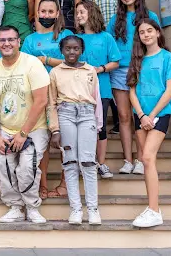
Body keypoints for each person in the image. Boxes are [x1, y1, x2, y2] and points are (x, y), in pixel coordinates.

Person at [0, 25, 52, 224]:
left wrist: (23, 134)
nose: (7, 43)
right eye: (2, 40)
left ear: (18, 42)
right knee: (0, 165)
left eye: (11, 39)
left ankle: (31, 206)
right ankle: (15, 207)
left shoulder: (32, 64)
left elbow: (41, 100)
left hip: (34, 128)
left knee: (26, 167)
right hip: (5, 127)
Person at [128, 19, 171, 227]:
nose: (146, 35)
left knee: (148, 157)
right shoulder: (137, 59)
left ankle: (154, 210)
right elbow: (132, 91)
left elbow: (170, 90)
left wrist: (151, 115)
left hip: (160, 114)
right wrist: (142, 115)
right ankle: (152, 207)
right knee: (146, 161)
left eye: (150, 30)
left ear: (158, 32)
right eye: (142, 32)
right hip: (141, 116)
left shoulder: (168, 58)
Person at [48, 35, 103, 225]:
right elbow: (51, 103)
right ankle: (76, 209)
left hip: (87, 115)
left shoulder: (90, 71)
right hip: (65, 114)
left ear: (81, 50)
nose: (72, 52)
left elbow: (96, 98)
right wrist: (54, 129)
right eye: (68, 48)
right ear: (62, 51)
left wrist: (98, 125)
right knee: (70, 162)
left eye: (76, 48)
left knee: (88, 162)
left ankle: (93, 209)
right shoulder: (55, 72)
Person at [21, 0, 72, 199]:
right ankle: (42, 185)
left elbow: (73, 61)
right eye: (43, 11)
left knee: (66, 140)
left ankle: (64, 183)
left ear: (57, 14)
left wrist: (46, 60)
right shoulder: (29, 40)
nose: (47, 15)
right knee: (42, 142)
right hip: (38, 96)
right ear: (37, 13)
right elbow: (24, 66)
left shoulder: (66, 35)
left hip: (64, 94)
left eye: (51, 12)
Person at [107, 0, 160, 175]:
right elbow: (109, 44)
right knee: (123, 116)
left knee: (140, 114)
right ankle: (128, 160)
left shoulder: (150, 16)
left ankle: (140, 159)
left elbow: (156, 43)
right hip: (120, 71)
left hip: (142, 69)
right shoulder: (115, 20)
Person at [75, 1, 121, 179]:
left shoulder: (106, 37)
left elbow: (115, 61)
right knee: (81, 128)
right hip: (79, 90)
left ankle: (101, 164)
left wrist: (100, 69)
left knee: (99, 127)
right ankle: (85, 163)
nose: (78, 15)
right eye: (77, 13)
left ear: (92, 13)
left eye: (82, 12)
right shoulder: (76, 38)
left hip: (102, 89)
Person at [88, 0, 125, 135]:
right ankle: (105, 122)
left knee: (121, 83)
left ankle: (121, 121)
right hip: (102, 45)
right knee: (105, 81)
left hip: (123, 44)